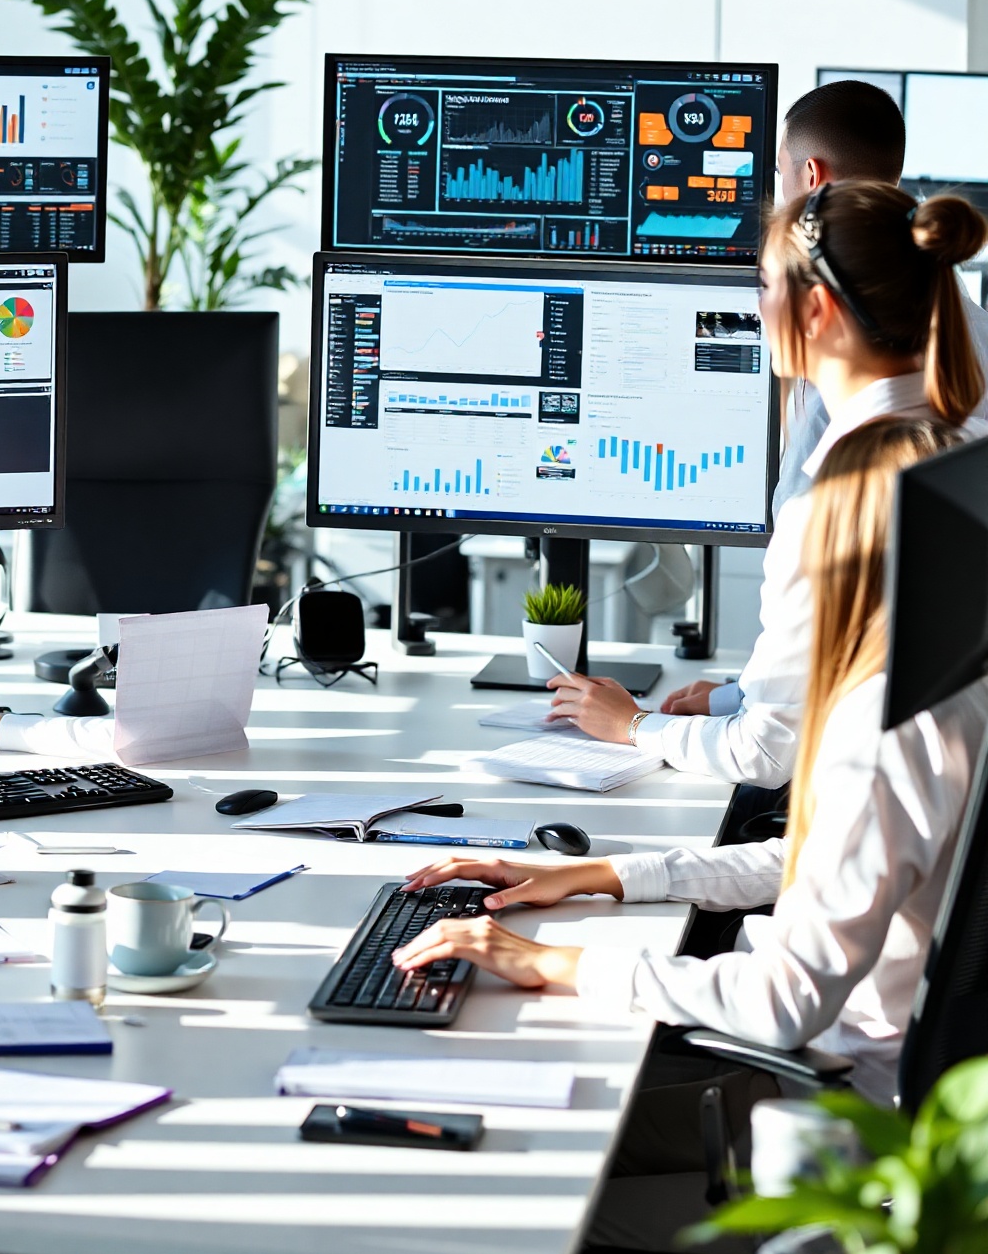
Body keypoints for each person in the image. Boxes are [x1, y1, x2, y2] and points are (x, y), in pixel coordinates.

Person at [391, 417, 985, 1120]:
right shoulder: (948, 693)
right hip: (843, 1072)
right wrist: (605, 874)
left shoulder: (888, 729)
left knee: (492, 1139)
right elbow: (825, 861)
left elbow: (784, 1002)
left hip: (825, 1112)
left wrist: (554, 963)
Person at [543, 181, 987, 780]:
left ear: (814, 310)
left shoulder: (835, 506)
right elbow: (862, 675)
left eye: (764, 286)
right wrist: (733, 698)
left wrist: (633, 726)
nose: (755, 309)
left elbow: (767, 753)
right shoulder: (962, 451)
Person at [767, 79, 988, 514]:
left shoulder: (838, 359)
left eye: (781, 172)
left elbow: (795, 524)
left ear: (811, 175)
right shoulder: (949, 296)